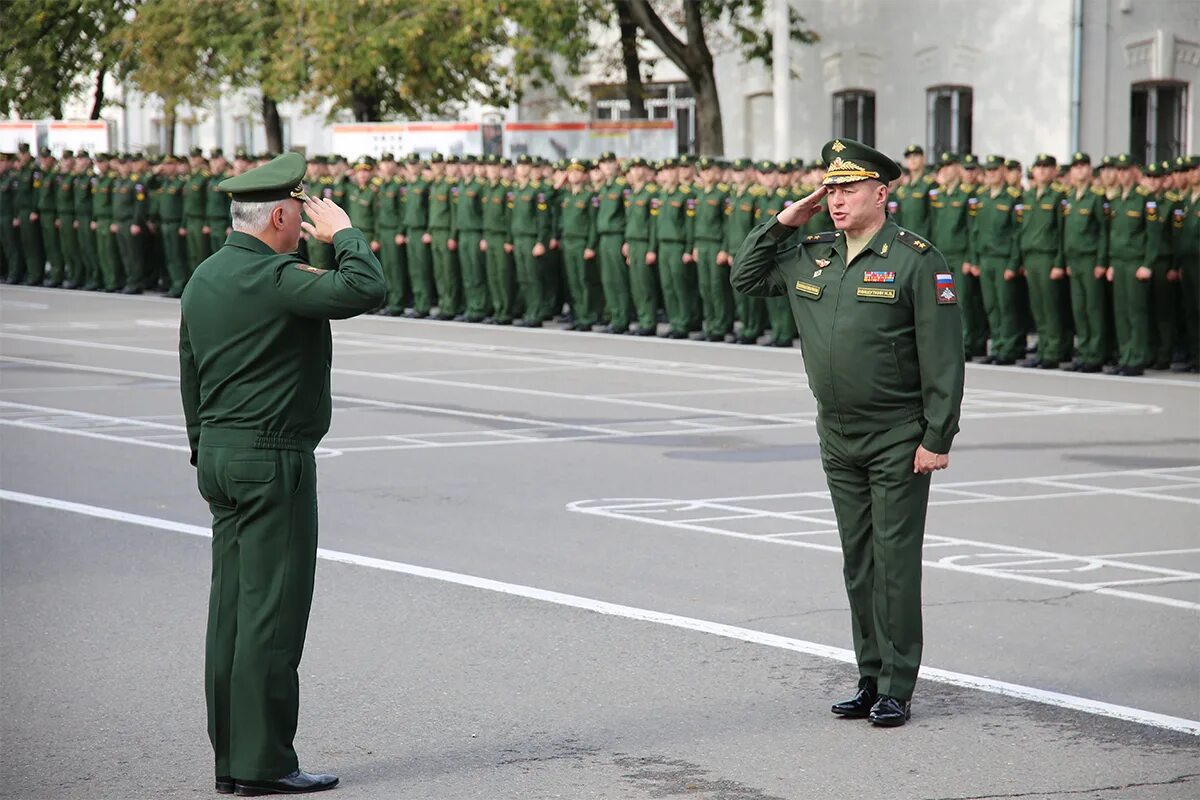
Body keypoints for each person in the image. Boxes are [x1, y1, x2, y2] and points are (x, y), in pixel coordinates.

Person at [732, 138, 964, 728]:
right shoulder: (812, 254)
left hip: (895, 434)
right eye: (831, 190)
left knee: (894, 560)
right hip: (836, 434)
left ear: (881, 193)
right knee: (857, 560)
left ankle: (897, 684)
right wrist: (788, 218)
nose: (836, 201)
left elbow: (943, 357)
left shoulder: (915, 259)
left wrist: (937, 436)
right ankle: (868, 674)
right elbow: (746, 275)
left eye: (849, 189)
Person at [179, 152, 385, 796]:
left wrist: (203, 448)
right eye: (300, 216)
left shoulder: (207, 277)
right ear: (276, 215)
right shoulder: (274, 276)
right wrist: (345, 234)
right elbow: (364, 289)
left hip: (219, 453)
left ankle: (233, 761)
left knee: (232, 616)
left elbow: (190, 375)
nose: (305, 228)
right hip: (271, 460)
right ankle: (265, 764)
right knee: (272, 614)